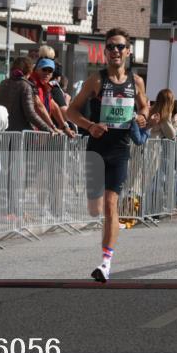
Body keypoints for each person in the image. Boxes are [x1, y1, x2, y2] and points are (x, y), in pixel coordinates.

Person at [66, 28, 149, 283]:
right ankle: (105, 245)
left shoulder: (136, 82)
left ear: (128, 52)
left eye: (120, 47)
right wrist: (90, 125)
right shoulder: (96, 80)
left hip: (120, 150)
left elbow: (145, 106)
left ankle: (105, 263)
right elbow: (71, 111)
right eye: (111, 46)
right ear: (105, 51)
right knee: (95, 209)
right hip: (96, 148)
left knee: (111, 205)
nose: (115, 51)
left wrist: (142, 117)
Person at [0, 57, 56, 132]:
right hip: (21, 133)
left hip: (3, 131)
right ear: (29, 71)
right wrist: (48, 129)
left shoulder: (3, 83)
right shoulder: (26, 86)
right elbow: (30, 114)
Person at [30, 58, 75, 137]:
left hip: (39, 132)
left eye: (50, 71)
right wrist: (53, 127)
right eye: (44, 69)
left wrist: (64, 127)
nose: (47, 73)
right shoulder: (32, 83)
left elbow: (53, 106)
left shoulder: (45, 86)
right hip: (30, 131)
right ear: (37, 70)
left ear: (52, 74)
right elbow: (39, 106)